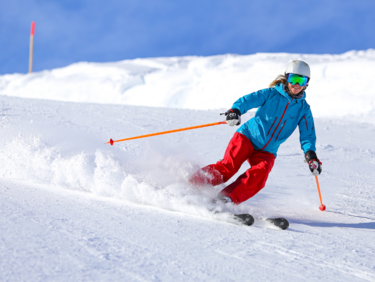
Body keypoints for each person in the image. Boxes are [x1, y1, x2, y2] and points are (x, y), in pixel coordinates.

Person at [190, 60, 322, 205]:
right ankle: (192, 182)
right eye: (293, 79)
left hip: (268, 150)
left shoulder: (303, 109)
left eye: (301, 80)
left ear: (306, 83)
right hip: (247, 137)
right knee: (228, 168)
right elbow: (248, 100)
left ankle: (225, 199)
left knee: (260, 175)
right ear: (286, 78)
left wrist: (310, 155)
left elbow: (307, 134)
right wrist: (235, 111)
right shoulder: (271, 94)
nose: (296, 85)